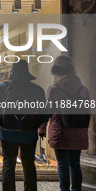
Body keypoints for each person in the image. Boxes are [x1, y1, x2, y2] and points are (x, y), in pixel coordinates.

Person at [0, 59, 49, 191]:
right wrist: (35, 125)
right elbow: (45, 114)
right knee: (29, 165)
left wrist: (1, 126)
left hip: (7, 134)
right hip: (29, 134)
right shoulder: (37, 89)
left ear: (12, 71)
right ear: (27, 71)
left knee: (8, 165)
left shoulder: (2, 87)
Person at [39, 56, 90, 191]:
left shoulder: (53, 89)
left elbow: (46, 112)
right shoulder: (83, 90)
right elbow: (88, 112)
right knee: (75, 164)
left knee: (62, 165)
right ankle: (76, 189)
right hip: (78, 131)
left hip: (60, 131)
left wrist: (42, 129)